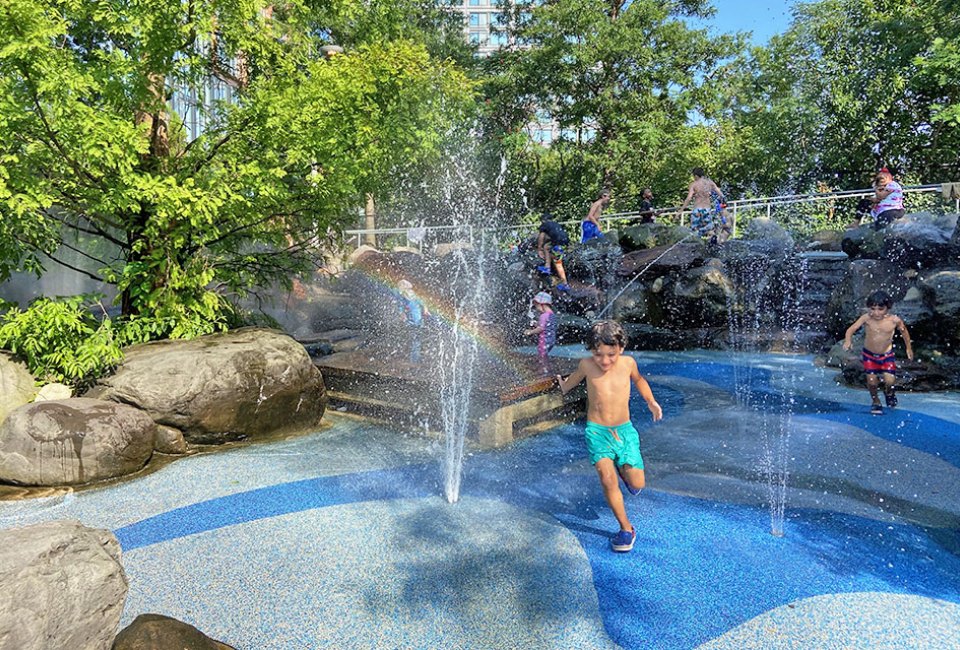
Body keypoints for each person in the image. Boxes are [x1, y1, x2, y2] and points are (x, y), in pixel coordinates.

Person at [556, 320, 663, 552]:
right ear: (591, 351)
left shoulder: (628, 364)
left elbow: (640, 380)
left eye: (611, 355)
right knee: (607, 478)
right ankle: (626, 529)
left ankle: (625, 473)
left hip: (624, 431)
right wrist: (563, 386)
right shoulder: (586, 365)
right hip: (597, 432)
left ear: (621, 349)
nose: (604, 361)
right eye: (598, 354)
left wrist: (651, 401)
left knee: (637, 484)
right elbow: (571, 383)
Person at [842, 290, 914, 415]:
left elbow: (904, 332)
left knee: (890, 381)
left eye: (880, 309)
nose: (876, 312)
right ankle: (875, 401)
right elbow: (850, 329)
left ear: (888, 307)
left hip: (887, 355)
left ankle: (889, 393)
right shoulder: (866, 318)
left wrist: (908, 348)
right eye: (872, 308)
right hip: (869, 355)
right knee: (871, 381)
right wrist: (848, 341)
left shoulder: (894, 320)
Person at [680, 168, 724, 240]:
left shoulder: (694, 184)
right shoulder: (710, 183)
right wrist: (722, 204)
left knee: (695, 229)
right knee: (709, 229)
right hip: (707, 209)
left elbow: (689, 198)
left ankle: (697, 245)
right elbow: (721, 194)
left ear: (696, 176)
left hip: (697, 210)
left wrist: (681, 210)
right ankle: (713, 243)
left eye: (693, 176)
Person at [397, 279, 430, 363]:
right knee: (415, 338)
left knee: (417, 338)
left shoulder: (413, 296)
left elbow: (422, 303)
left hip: (417, 319)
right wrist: (402, 314)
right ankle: (414, 358)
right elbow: (401, 307)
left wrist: (425, 310)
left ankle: (416, 357)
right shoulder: (403, 297)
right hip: (411, 320)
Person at [537, 212, 570, 292]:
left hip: (558, 244)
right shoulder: (555, 224)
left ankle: (565, 284)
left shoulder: (545, 225)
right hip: (565, 242)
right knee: (547, 247)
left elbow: (541, 237)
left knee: (558, 263)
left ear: (543, 220)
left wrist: (539, 248)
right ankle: (547, 267)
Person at [524, 291, 557, 372]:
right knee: (544, 355)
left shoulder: (543, 316)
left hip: (544, 340)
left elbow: (541, 329)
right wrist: (536, 324)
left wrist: (530, 332)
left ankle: (543, 370)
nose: (536, 308)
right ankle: (546, 368)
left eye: (536, 305)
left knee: (542, 355)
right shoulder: (552, 314)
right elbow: (546, 326)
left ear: (542, 304)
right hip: (551, 339)